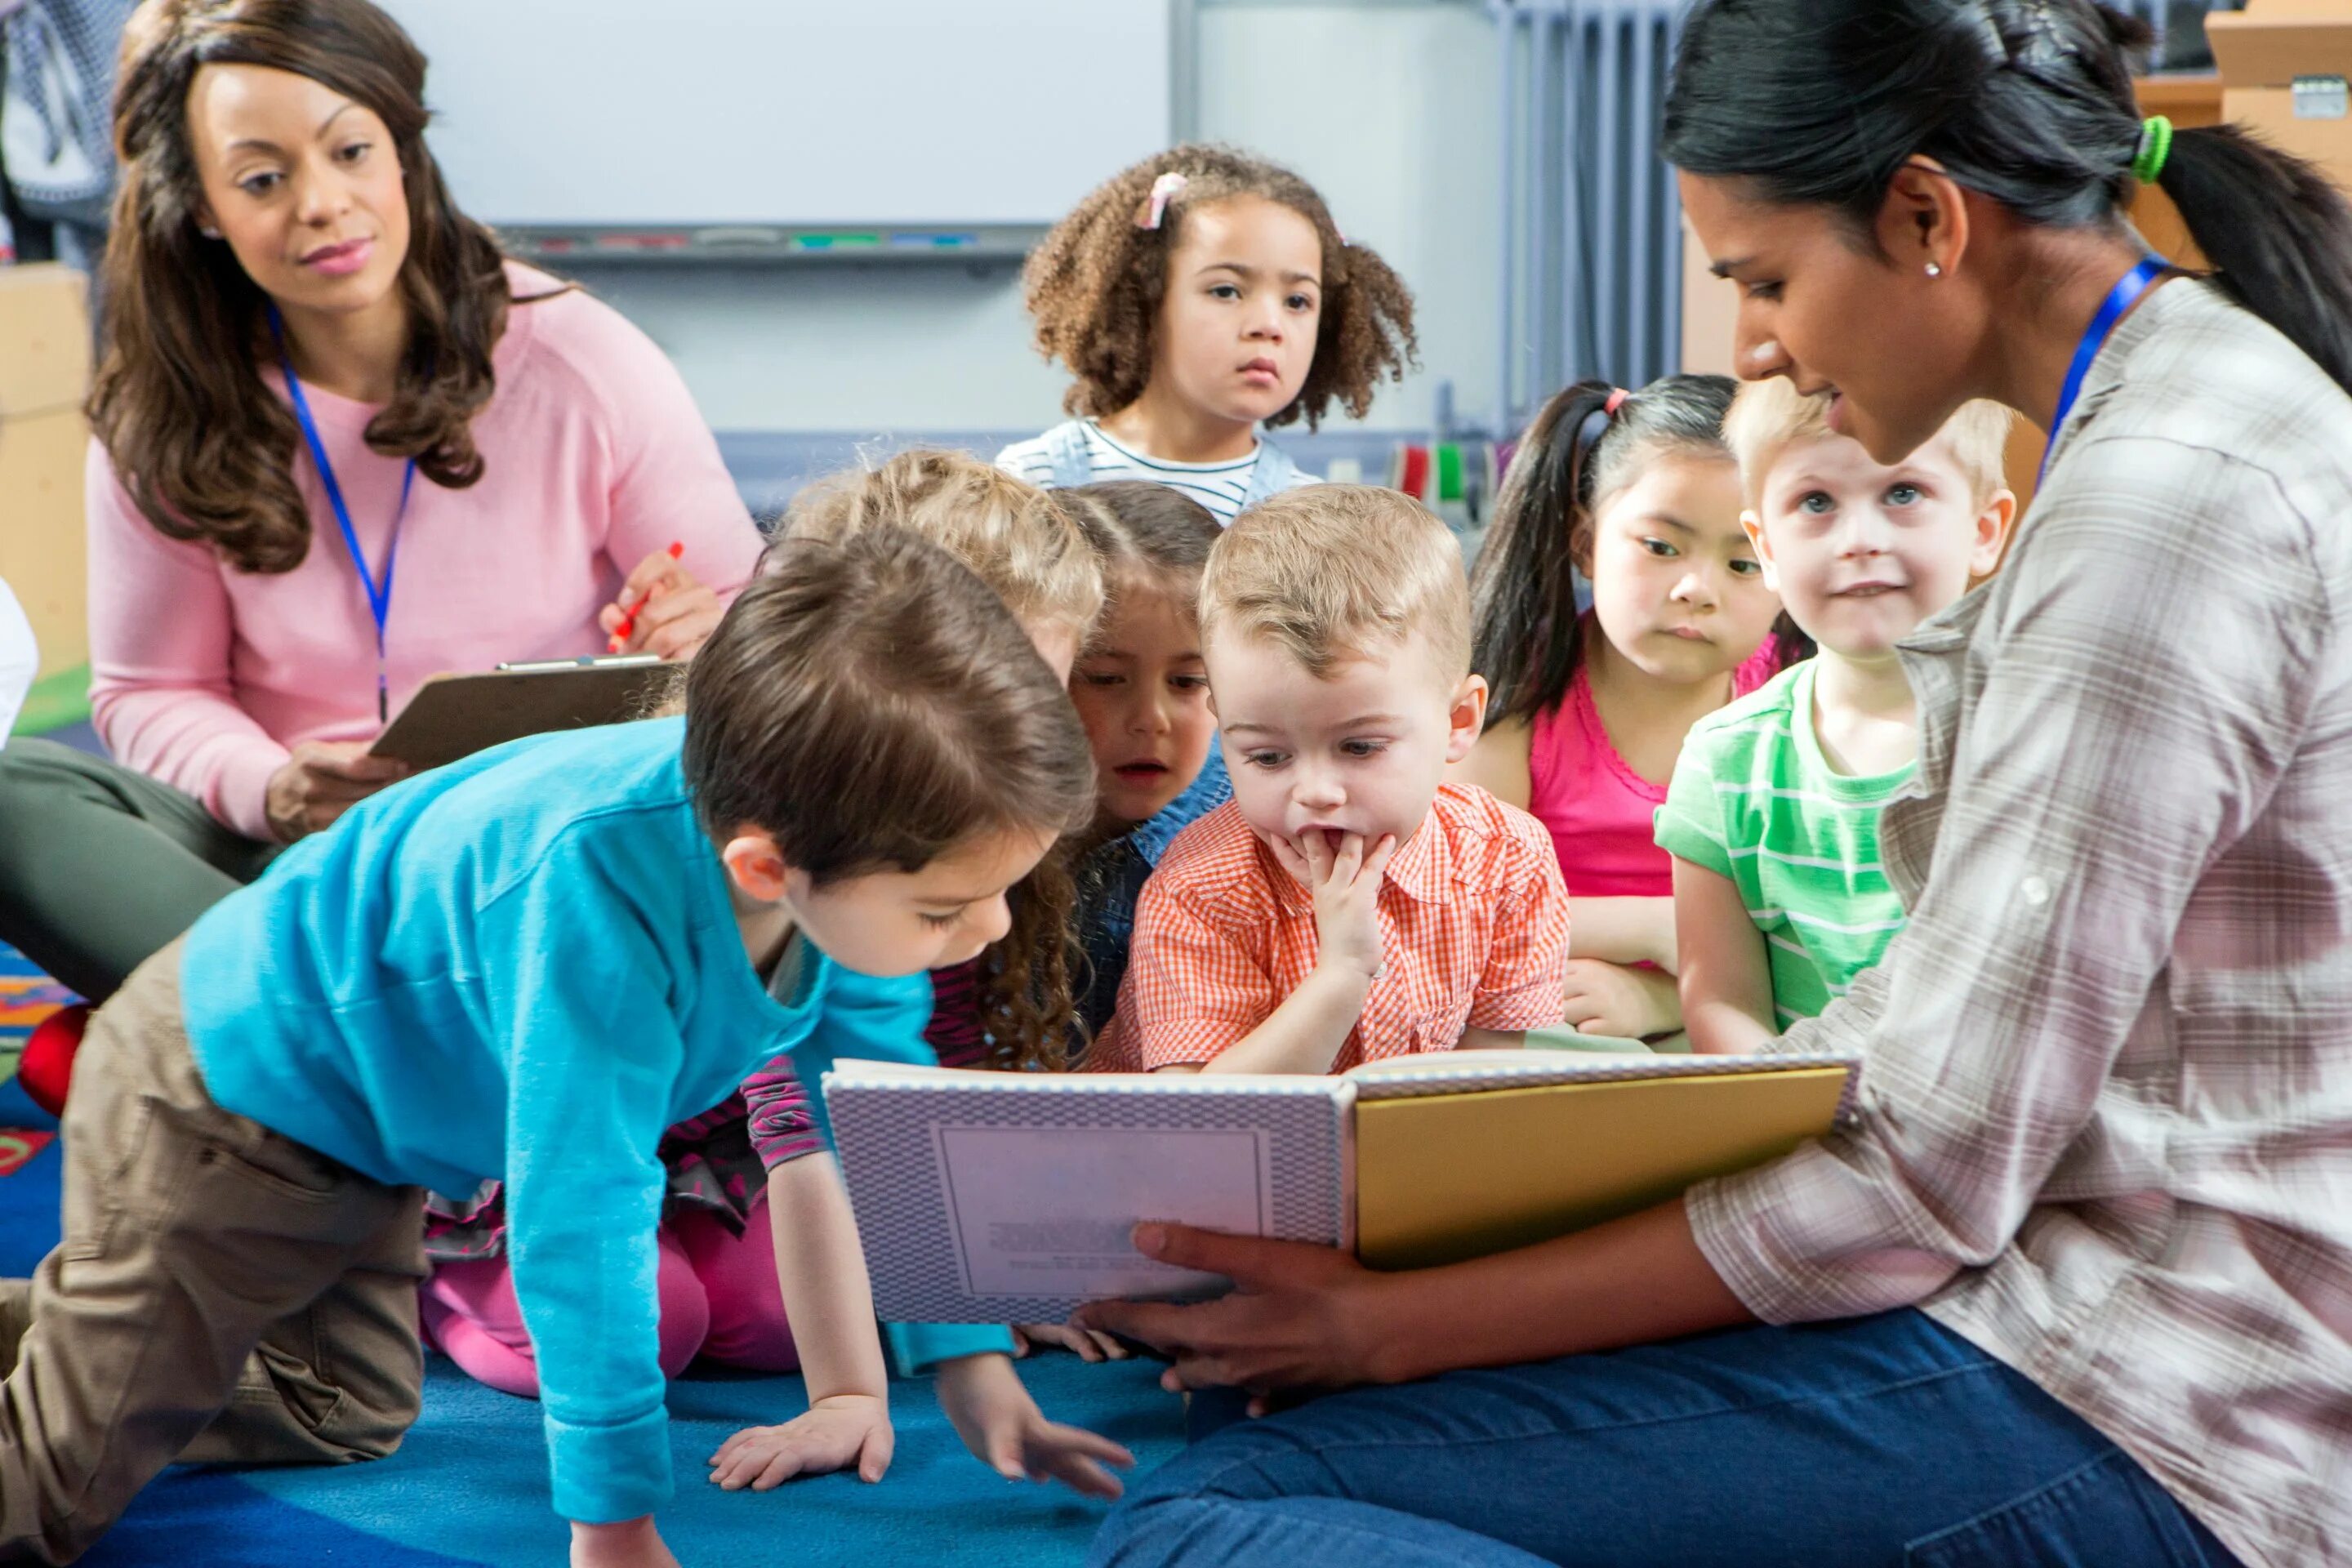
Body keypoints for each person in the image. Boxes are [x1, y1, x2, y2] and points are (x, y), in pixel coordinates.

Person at [1078, 2, 2352, 1564]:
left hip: (2152, 1393)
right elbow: (1930, 1039)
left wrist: (1398, 1326)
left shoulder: (2158, 506)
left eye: (1761, 280)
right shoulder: (2173, 416)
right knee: (1290, 1422)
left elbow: (1922, 1180)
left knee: (1219, 1509)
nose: (1751, 347)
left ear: (1929, 219)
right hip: (2072, 1301)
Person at [0, 530, 1126, 1568]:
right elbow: (581, 1217)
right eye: (946, 909)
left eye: (1002, 893)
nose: (986, 931)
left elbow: (878, 1117)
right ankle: (104, 1341)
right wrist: (615, 1522)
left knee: (331, 1410)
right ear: (766, 870)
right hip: (229, 1092)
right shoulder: (599, 895)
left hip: (372, 1128)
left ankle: (101, 1324)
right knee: (60, 1477)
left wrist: (969, 1362)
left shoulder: (823, 843)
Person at [0, 0, 761, 1108]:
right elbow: (150, 692)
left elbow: (748, 615)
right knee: (14, 791)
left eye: (352, 150)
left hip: (541, 862)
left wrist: (707, 628)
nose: (321, 204)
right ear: (204, 208)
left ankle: (264, 1046)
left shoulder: (580, 356)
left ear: (402, 149)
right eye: (260, 179)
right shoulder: (162, 412)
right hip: (291, 869)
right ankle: (365, 1055)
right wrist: (275, 785)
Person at [1087, 485, 1570, 1076]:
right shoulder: (1201, 891)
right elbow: (1205, 1126)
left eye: (1359, 747)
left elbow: (1485, 1094)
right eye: (1267, 756)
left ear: (1459, 720)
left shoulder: (1507, 859)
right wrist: (1342, 974)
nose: (1315, 791)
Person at [1664, 382, 2014, 1054]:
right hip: (1799, 1123)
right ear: (1765, 549)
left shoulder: (2037, 732)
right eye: (1816, 502)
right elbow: (1721, 1002)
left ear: (1984, 530)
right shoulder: (1724, 761)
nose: (1859, 540)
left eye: (1903, 494)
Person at [1456, 376, 1792, 1042]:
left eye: (1744, 561)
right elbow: (1452, 908)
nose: (1697, 588)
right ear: (1585, 544)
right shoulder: (1515, 703)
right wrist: (1656, 927)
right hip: (1548, 1034)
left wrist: (1670, 990)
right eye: (1662, 547)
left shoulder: (1793, 707)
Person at [997, 145, 1417, 523]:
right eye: (1226, 291)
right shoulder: (1033, 479)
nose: (1269, 326)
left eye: (1297, 302)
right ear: (1144, 300)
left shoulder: (1310, 519)